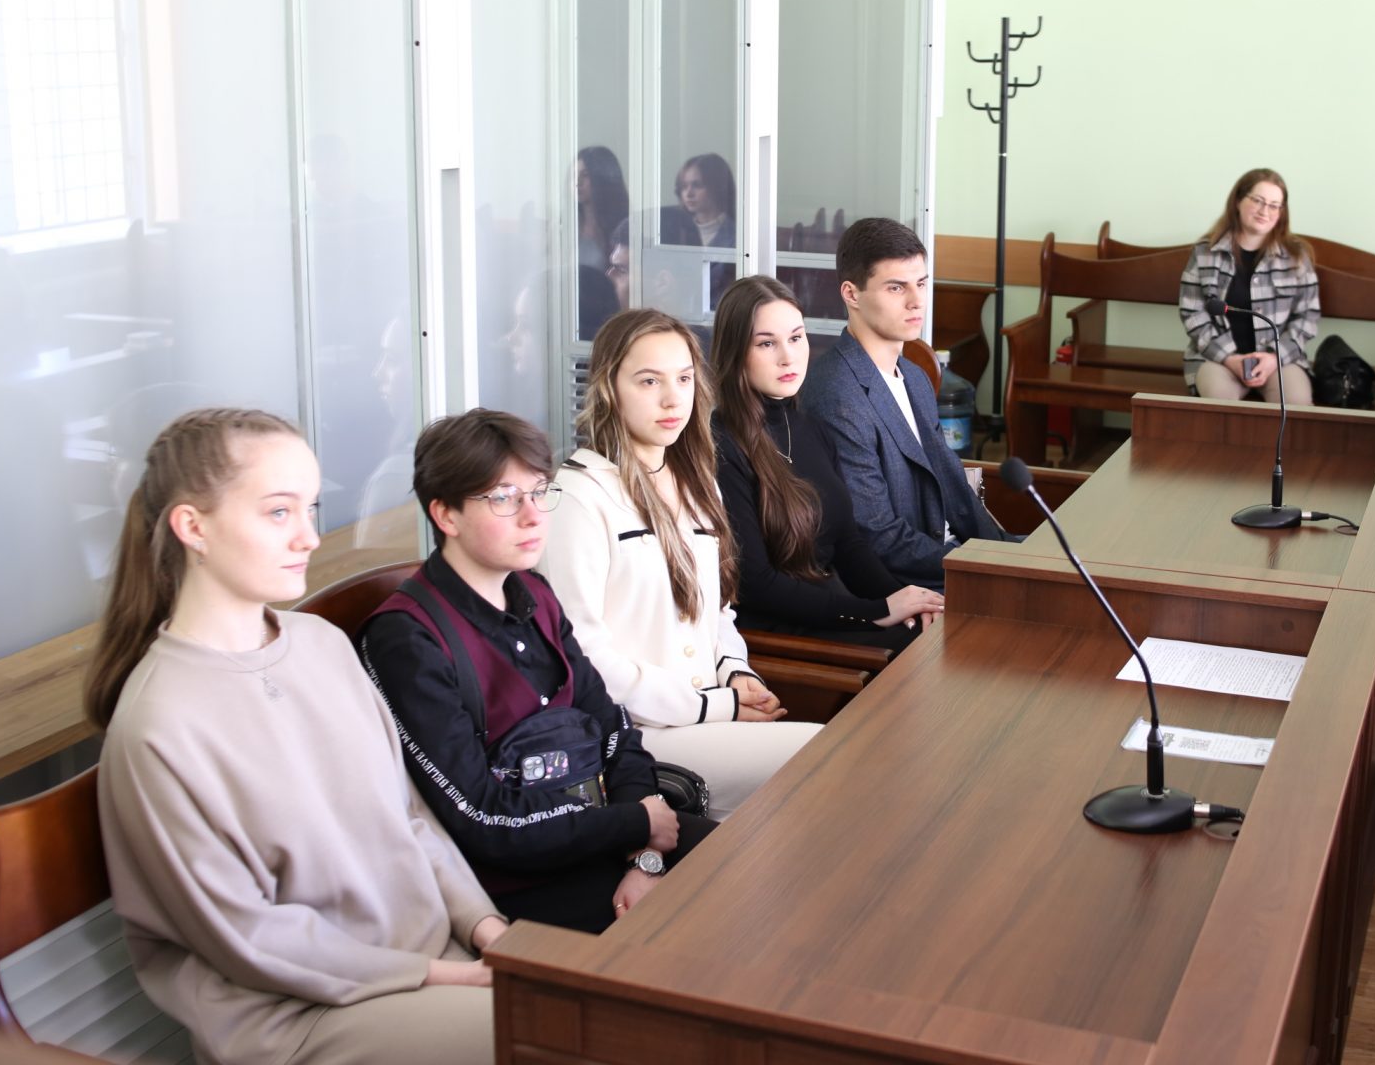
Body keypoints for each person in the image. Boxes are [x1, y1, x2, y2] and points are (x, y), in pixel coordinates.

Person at [87, 409, 504, 1065]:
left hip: (432, 964)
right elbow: (249, 937)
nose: (309, 537)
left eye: (310, 508)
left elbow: (408, 816)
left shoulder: (321, 644)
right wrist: (441, 975)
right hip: (303, 1016)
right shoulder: (158, 726)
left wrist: (486, 926)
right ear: (193, 527)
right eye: (279, 512)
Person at [355, 409, 713, 934]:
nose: (533, 516)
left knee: (748, 868)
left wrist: (644, 855)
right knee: (704, 930)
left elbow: (612, 726)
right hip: (516, 882)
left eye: (540, 491)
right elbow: (479, 815)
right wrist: (635, 823)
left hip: (608, 836)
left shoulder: (534, 593)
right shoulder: (407, 640)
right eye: (504, 498)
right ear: (446, 515)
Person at [543, 308, 822, 821]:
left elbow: (716, 612)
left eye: (684, 379)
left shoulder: (697, 482)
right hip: (633, 737)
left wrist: (735, 672)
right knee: (828, 758)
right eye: (649, 381)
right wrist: (716, 706)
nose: (673, 399)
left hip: (708, 716)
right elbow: (584, 658)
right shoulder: (578, 496)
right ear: (609, 389)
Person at [709, 275, 944, 647]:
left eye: (796, 338)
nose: (788, 357)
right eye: (766, 343)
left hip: (830, 609)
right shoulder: (721, 445)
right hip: (775, 632)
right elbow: (756, 585)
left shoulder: (810, 428)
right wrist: (875, 611)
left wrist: (905, 600)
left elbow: (849, 544)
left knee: (937, 630)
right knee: (921, 651)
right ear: (735, 352)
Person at [800, 217, 1016, 590]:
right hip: (910, 581)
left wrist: (1006, 554)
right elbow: (878, 535)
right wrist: (983, 567)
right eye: (896, 287)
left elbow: (955, 489)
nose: (917, 301)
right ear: (851, 294)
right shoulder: (837, 394)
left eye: (922, 284)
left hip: (951, 557)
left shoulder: (915, 376)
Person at [1179, 168, 1320, 404]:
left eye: (1274, 205)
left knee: (1296, 404)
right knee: (1220, 402)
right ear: (1238, 201)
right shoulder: (1205, 252)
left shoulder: (1297, 255)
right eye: (1258, 201)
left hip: (1280, 361)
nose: (1265, 211)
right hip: (1217, 359)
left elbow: (1308, 317)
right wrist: (1229, 358)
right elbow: (1192, 313)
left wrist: (1274, 358)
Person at [660, 153, 736, 249]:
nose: (688, 194)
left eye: (697, 185)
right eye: (684, 186)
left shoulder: (737, 237)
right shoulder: (676, 230)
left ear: (717, 187)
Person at [571, 146, 628, 272]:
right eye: (574, 175)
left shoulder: (623, 228)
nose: (577, 182)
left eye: (585, 175)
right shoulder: (565, 227)